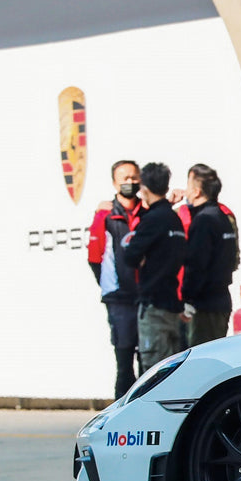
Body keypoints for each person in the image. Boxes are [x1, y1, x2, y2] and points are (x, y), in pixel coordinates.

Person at [121, 162, 187, 370]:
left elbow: (130, 256)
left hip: (153, 304)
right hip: (173, 304)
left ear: (144, 189)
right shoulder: (174, 219)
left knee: (154, 371)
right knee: (174, 369)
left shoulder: (152, 220)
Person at [86, 160, 143, 397]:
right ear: (114, 182)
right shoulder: (105, 216)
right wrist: (111, 285)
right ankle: (120, 416)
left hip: (148, 299)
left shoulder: (148, 212)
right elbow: (94, 257)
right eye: (124, 178)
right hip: (119, 301)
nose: (129, 182)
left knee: (150, 365)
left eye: (134, 177)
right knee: (124, 363)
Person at [180, 164, 240, 345]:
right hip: (221, 299)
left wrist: (187, 299)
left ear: (197, 191)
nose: (186, 191)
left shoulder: (203, 221)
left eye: (188, 186)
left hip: (204, 305)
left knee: (200, 361)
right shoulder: (223, 217)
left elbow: (196, 264)